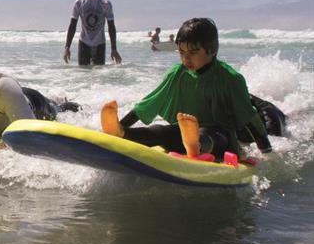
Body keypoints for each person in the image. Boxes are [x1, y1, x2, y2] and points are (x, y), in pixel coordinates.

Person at [100, 18, 272, 161]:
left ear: (211, 50)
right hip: (183, 134)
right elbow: (149, 104)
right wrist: (122, 123)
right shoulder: (177, 74)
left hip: (221, 140)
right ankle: (121, 133)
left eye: (193, 53)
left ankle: (195, 145)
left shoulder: (230, 79)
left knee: (206, 135)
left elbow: (249, 117)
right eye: (181, 52)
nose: (185, 58)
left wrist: (266, 150)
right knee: (160, 132)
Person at [63, 0, 121, 65]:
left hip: (99, 44)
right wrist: (67, 48)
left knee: (98, 75)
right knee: (84, 73)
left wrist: (114, 49)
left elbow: (111, 27)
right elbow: (72, 26)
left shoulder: (105, 3)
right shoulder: (79, 3)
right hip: (84, 43)